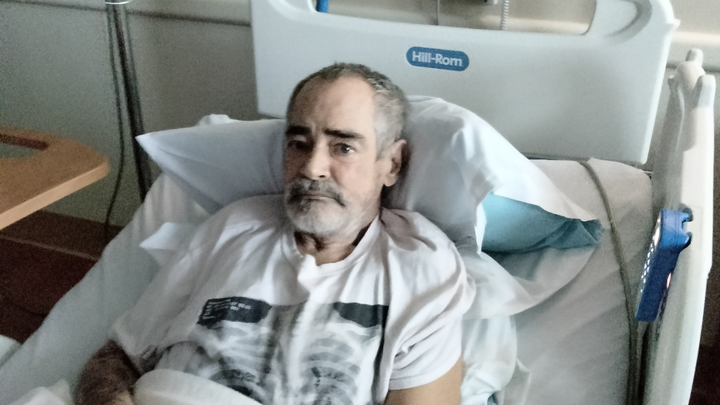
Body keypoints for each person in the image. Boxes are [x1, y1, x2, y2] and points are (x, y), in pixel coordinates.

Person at [75, 63, 475, 405]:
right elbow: (115, 360)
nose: (312, 167)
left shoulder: (418, 267)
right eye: (299, 143)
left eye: (343, 148)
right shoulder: (233, 228)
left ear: (392, 163)